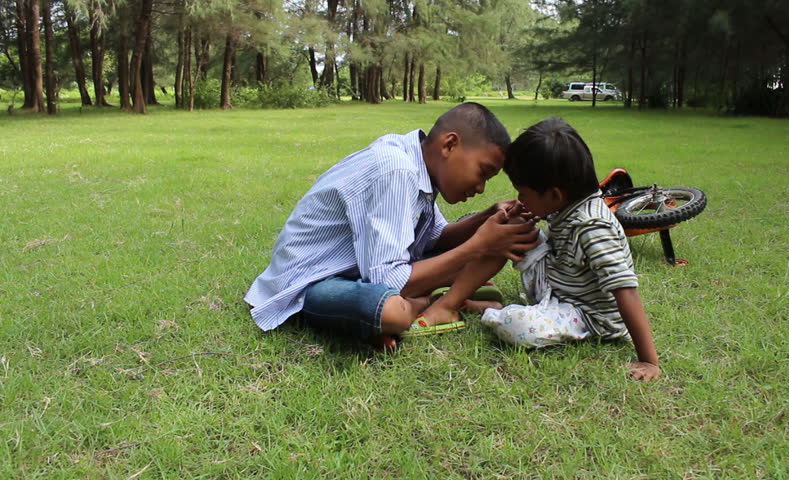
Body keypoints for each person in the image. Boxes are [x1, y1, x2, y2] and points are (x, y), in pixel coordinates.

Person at [244, 102, 540, 350]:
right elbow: (389, 280)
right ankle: (428, 302)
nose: (480, 187)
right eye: (483, 172)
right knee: (391, 312)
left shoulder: (420, 165)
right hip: (310, 282)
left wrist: (487, 218)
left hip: (361, 271)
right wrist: (479, 245)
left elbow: (437, 239)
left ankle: (441, 299)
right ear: (450, 144)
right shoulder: (396, 170)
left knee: (501, 235)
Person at [425, 117, 660, 381]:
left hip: (586, 314)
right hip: (557, 281)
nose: (520, 200)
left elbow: (625, 289)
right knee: (507, 229)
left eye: (523, 194)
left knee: (517, 327)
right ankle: (450, 303)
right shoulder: (567, 204)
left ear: (555, 195)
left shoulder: (594, 228)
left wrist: (649, 360)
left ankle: (492, 310)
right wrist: (521, 213)